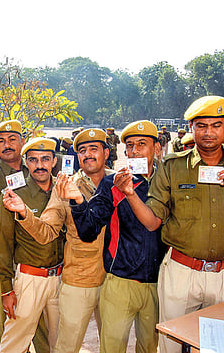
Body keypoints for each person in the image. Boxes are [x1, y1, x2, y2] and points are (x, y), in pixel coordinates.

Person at [117, 96, 224, 353]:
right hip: (181, 273)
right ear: (192, 129)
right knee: (171, 345)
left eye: (215, 125)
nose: (208, 132)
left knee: (223, 346)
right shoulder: (173, 168)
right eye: (201, 126)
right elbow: (152, 223)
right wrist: (129, 194)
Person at [3, 128, 114, 352]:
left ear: (106, 153)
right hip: (78, 280)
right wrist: (24, 213)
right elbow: (46, 232)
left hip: (115, 279)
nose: (88, 155)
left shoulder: (118, 182)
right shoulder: (64, 187)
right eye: (82, 150)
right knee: (67, 345)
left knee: (113, 344)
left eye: (94, 149)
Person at [60, 122, 165, 353]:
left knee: (150, 347)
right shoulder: (113, 183)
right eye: (130, 146)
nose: (135, 151)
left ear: (156, 148)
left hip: (159, 283)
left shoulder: (168, 181)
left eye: (142, 144)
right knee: (112, 347)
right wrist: (77, 201)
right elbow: (88, 231)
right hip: (120, 283)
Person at [0, 137, 64, 353]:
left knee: (60, 342)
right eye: (33, 160)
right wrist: (6, 289)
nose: (40, 165)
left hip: (61, 278)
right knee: (14, 344)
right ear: (26, 161)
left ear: (54, 161)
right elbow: (4, 243)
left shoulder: (64, 189)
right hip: (30, 279)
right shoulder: (14, 193)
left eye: (45, 159)